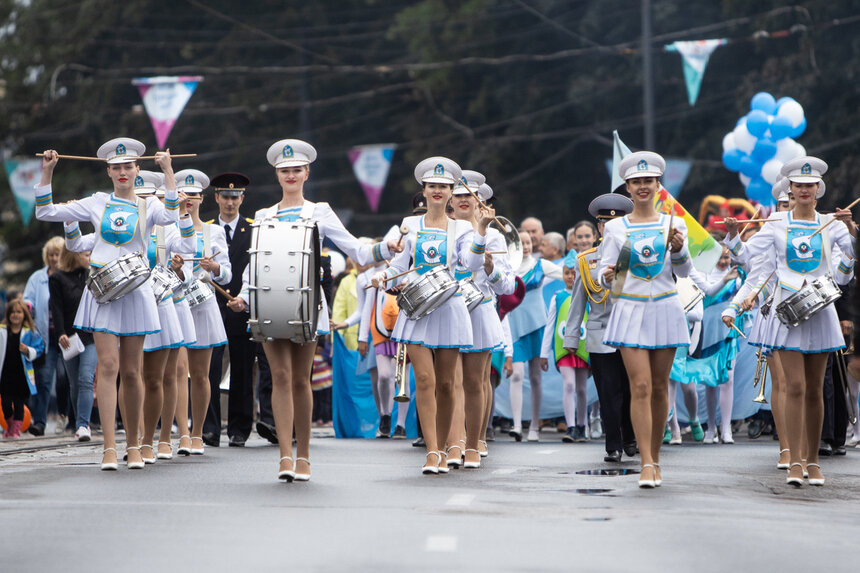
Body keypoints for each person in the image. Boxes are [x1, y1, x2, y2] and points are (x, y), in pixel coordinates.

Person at [228, 139, 400, 482]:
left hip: (307, 305)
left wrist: (385, 247)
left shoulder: (319, 211)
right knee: (277, 377)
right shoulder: (262, 216)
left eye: (296, 170)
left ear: (306, 173)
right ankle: (285, 457)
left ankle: (304, 455)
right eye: (284, 171)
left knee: (300, 380)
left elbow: (356, 249)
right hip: (269, 305)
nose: (291, 175)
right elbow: (255, 266)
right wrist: (245, 296)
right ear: (277, 175)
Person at [35, 139, 181, 470]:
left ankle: (134, 445)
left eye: (128, 166)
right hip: (102, 290)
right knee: (108, 365)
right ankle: (110, 448)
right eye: (116, 167)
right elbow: (46, 211)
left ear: (137, 168)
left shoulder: (148, 206)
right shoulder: (96, 202)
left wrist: (169, 171)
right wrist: (48, 171)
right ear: (108, 172)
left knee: (132, 370)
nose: (122, 172)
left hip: (137, 292)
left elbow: (172, 214)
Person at [722, 156, 855, 486]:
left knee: (814, 390)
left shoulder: (833, 225)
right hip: (787, 312)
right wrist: (735, 237)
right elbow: (750, 261)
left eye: (810, 185)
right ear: (791, 190)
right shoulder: (776, 224)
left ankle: (813, 460)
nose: (805, 190)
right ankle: (794, 459)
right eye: (799, 185)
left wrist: (852, 239)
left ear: (818, 190)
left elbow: (842, 275)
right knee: (793, 386)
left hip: (821, 310)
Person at [372, 157, 493, 474]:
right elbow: (399, 267)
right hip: (416, 311)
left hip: (449, 308)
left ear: (452, 192)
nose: (437, 191)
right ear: (423, 191)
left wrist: (480, 232)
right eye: (432, 186)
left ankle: (444, 446)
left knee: (445, 384)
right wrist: (384, 277)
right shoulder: (410, 225)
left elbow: (470, 265)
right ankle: (431, 451)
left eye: (443, 186)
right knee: (423, 379)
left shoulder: (462, 227)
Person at [599, 151, 692, 487]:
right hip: (630, 308)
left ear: (658, 185)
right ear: (627, 187)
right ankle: (647, 463)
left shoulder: (674, 223)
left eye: (648, 181)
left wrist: (679, 249)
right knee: (639, 385)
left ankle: (656, 455)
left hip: (665, 307)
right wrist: (608, 275)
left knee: (658, 386)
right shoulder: (614, 227)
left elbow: (683, 272)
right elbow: (604, 275)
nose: (642, 187)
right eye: (636, 182)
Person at [201, 172, 274, 448]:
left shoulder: (254, 230)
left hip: (243, 306)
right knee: (210, 366)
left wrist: (246, 298)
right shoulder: (205, 229)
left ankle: (239, 428)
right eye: (225, 197)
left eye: (235, 197)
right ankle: (209, 428)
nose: (230, 202)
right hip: (213, 303)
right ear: (216, 198)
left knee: (243, 366)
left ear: (242, 199)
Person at [447, 175, 515, 468]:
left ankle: (474, 442)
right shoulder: (445, 230)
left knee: (475, 382)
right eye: (458, 194)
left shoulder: (495, 236)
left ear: (480, 200)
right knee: (451, 383)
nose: (464, 200)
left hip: (479, 311)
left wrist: (490, 269)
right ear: (449, 199)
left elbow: (508, 287)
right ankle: (454, 441)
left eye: (471, 195)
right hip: (448, 311)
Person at [564, 193, 636, 462]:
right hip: (600, 332)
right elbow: (578, 299)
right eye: (604, 224)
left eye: (614, 224)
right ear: (599, 228)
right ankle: (613, 445)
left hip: (629, 332)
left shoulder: (633, 256)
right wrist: (571, 336)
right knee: (608, 392)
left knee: (630, 389)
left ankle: (630, 434)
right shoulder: (585, 260)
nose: (608, 229)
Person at [172, 169, 231, 456]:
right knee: (179, 370)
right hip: (176, 301)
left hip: (204, 303)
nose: (190, 200)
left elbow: (227, 273)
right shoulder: (168, 229)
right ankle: (182, 432)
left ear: (202, 199)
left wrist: (215, 268)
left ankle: (198, 433)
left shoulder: (213, 231)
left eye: (194, 195)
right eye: (184, 195)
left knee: (201, 373)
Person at [506, 230, 563, 441]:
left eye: (529, 242)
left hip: (538, 325)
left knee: (536, 377)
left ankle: (534, 427)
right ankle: (517, 425)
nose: (527, 246)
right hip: (516, 327)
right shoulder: (508, 268)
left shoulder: (541, 265)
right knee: (517, 375)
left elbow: (567, 274)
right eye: (522, 242)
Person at [541, 251, 591, 442]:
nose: (571, 277)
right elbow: (550, 325)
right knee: (569, 385)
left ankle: (582, 425)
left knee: (582, 388)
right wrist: (544, 353)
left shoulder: (587, 295)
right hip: (563, 348)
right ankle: (570, 426)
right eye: (567, 273)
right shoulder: (558, 296)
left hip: (583, 347)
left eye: (574, 273)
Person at [50, 235, 96, 441]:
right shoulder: (57, 278)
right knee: (75, 383)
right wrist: (60, 332)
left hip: (91, 336)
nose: (89, 258)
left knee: (86, 378)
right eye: (86, 254)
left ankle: (83, 425)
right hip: (69, 337)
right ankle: (79, 421)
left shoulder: (91, 276)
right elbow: (56, 308)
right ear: (75, 254)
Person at [23, 236, 63, 436]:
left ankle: (69, 418)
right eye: (51, 255)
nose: (54, 258)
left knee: (66, 379)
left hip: (66, 336)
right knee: (44, 379)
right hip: (45, 338)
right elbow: (27, 299)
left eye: (57, 254)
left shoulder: (68, 275)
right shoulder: (37, 278)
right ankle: (39, 421)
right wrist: (28, 307)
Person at [1, 300, 44, 438]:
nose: (15, 315)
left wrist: (28, 350)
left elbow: (39, 348)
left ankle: (15, 430)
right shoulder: (2, 331)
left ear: (24, 315)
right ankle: (10, 424)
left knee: (19, 403)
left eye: (19, 312)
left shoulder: (30, 332)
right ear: (8, 314)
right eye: (12, 312)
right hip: (6, 374)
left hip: (22, 375)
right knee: (5, 403)